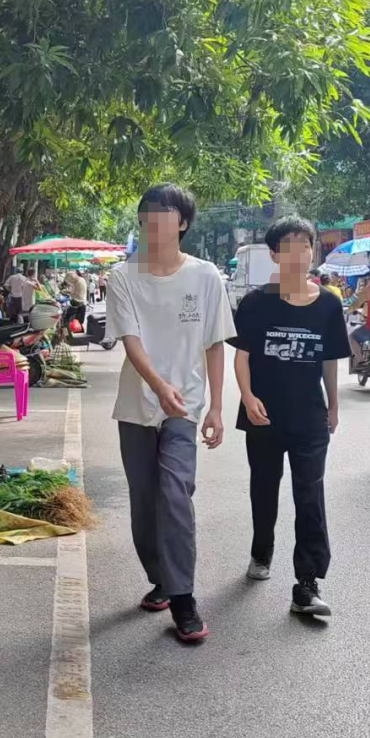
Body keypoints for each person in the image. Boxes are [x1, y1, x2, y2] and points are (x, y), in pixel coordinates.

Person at [105, 183, 234, 644]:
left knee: (175, 491)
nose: (154, 221)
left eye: (165, 213)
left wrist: (216, 406)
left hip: (185, 405)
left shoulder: (206, 276)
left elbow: (214, 343)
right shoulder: (123, 276)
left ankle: (183, 598)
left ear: (182, 222)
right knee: (144, 500)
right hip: (137, 404)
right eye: (147, 214)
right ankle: (161, 578)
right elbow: (131, 340)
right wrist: (158, 386)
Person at [232, 217, 349, 621]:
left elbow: (330, 360)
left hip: (309, 418)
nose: (299, 253)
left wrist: (333, 405)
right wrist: (247, 397)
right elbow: (242, 355)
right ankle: (261, 549)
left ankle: (307, 583)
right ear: (274, 254)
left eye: (305, 245)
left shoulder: (329, 304)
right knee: (264, 489)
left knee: (310, 496)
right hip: (263, 415)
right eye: (290, 246)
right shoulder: (256, 303)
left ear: (313, 251)